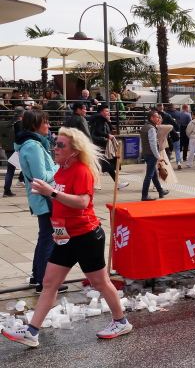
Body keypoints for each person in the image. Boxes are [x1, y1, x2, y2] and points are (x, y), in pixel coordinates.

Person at [1, 127, 132, 347]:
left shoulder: (81, 170)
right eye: (55, 143)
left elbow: (82, 202)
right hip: (64, 237)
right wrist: (47, 197)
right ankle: (32, 332)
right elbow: (60, 199)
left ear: (75, 150)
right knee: (49, 282)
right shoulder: (61, 169)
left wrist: (51, 192)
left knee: (100, 282)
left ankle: (121, 322)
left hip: (86, 235)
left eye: (61, 145)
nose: (56, 148)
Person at [14, 109, 68, 294]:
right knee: (50, 239)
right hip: (45, 199)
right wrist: (58, 166)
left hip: (42, 199)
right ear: (34, 125)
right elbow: (41, 177)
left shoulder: (30, 143)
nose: (49, 125)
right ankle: (43, 282)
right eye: (45, 122)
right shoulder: (33, 146)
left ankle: (37, 276)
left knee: (45, 236)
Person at [89, 105, 128, 190]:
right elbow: (97, 131)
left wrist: (109, 121)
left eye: (109, 111)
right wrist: (107, 135)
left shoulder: (103, 120)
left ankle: (96, 183)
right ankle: (94, 183)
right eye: (106, 111)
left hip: (101, 144)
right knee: (103, 164)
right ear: (101, 112)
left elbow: (109, 129)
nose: (109, 113)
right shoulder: (100, 120)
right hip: (100, 144)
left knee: (105, 165)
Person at [139, 110, 169, 201]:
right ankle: (144, 195)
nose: (158, 118)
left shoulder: (145, 127)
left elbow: (142, 142)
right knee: (149, 175)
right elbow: (153, 144)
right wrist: (158, 156)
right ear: (152, 118)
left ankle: (160, 191)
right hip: (151, 154)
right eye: (157, 117)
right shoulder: (151, 128)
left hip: (146, 153)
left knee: (154, 174)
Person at [2, 107, 24, 197]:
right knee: (26, 168)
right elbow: (21, 136)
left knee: (10, 170)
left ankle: (7, 190)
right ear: (22, 114)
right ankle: (7, 191)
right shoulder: (19, 124)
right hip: (17, 149)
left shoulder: (9, 122)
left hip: (8, 149)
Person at [157, 103, 182, 170]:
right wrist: (177, 129)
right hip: (173, 133)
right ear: (163, 107)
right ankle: (178, 162)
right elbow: (175, 124)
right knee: (177, 149)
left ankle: (165, 164)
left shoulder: (156, 115)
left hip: (162, 136)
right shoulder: (171, 114)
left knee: (165, 150)